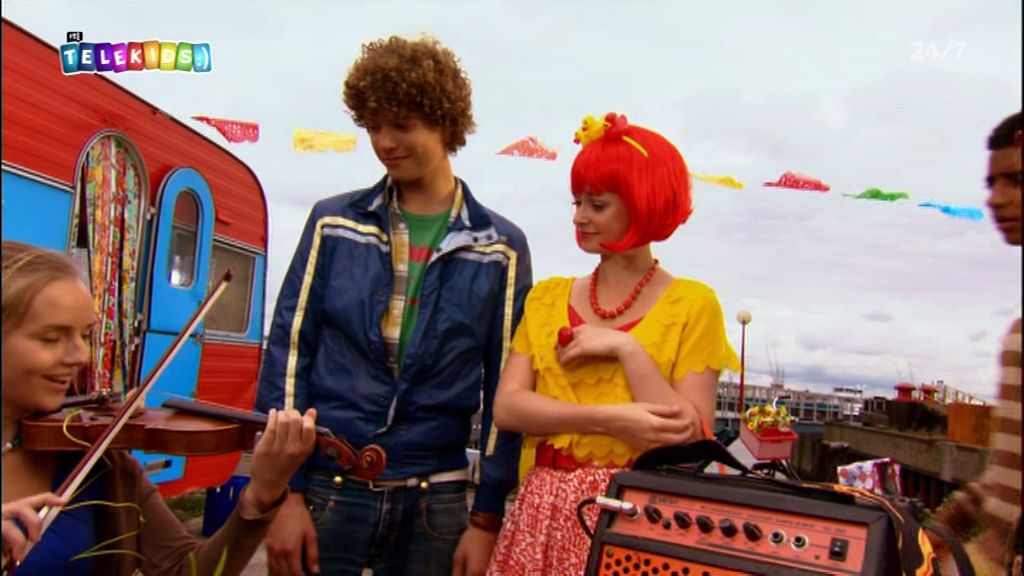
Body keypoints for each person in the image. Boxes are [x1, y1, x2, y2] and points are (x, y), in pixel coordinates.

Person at [256, 34, 532, 576]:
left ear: (445, 123)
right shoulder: (332, 224)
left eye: (401, 125)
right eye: (372, 126)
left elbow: (507, 388)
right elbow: (289, 354)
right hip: (326, 489)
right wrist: (284, 494)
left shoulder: (501, 247)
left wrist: (486, 517)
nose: (384, 142)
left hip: (438, 501)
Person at [486, 112, 740, 575]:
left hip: (639, 516)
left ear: (642, 204)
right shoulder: (546, 297)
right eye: (577, 202)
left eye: (597, 205)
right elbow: (507, 408)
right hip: (540, 511)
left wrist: (627, 350)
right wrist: (612, 419)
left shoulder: (693, 304)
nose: (579, 217)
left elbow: (688, 441)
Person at [0, 240, 318, 575]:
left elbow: (186, 570)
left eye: (87, 336)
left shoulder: (97, 458)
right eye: (51, 338)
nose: (80, 356)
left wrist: (260, 496)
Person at [933, 111, 1021, 575]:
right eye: (992, 183)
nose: (995, 199)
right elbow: (1008, 477)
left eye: (1017, 181)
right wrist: (933, 531)